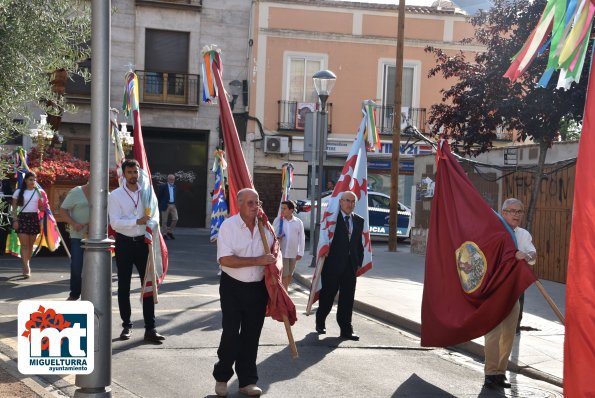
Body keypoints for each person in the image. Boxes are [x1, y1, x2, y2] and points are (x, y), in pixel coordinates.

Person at [213, 188, 274, 397]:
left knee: (251, 336)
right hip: (232, 286)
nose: (254, 206)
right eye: (249, 202)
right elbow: (225, 260)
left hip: (257, 288)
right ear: (238, 204)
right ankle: (222, 377)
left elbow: (274, 255)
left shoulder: (266, 228)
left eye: (257, 202)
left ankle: (247, 381)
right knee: (231, 334)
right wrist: (258, 260)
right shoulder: (228, 227)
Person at [108, 159, 165, 344]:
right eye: (130, 172)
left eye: (136, 171)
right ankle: (127, 325)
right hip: (124, 243)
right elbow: (115, 223)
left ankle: (150, 328)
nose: (134, 175)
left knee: (148, 286)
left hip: (143, 243)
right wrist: (136, 222)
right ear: (124, 174)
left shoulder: (147, 193)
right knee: (123, 286)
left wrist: (150, 225)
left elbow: (155, 214)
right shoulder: (115, 195)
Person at [483, 198, 536, 389]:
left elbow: (533, 256)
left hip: (513, 291)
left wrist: (526, 255)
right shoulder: (493, 231)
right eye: (511, 211)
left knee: (508, 333)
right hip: (494, 290)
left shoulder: (523, 234)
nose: (515, 214)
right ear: (503, 212)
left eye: (519, 211)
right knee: (493, 332)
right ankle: (490, 373)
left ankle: (500, 372)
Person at [315, 191, 364, 341]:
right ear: (341, 202)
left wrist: (359, 262)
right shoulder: (331, 220)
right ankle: (320, 320)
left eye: (352, 202)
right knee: (328, 296)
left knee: (347, 299)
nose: (350, 204)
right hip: (332, 265)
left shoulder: (359, 220)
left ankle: (346, 329)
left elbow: (358, 244)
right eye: (347, 201)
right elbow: (324, 237)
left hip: (350, 266)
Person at [60, 181, 90, 301]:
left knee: (96, 267)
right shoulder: (76, 191)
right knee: (77, 265)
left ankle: (91, 294)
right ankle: (75, 294)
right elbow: (62, 210)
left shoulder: (104, 193)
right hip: (78, 235)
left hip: (97, 237)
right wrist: (74, 223)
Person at [11, 172, 43, 278]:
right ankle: (26, 266)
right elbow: (14, 209)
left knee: (30, 245)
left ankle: (26, 263)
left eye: (34, 180)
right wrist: (15, 220)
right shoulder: (19, 192)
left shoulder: (39, 192)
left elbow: (42, 208)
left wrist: (44, 214)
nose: (33, 182)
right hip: (22, 218)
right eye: (30, 179)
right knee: (24, 245)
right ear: (25, 180)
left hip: (34, 218)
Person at [272, 200, 305, 291]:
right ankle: (285, 294)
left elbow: (301, 238)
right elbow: (273, 235)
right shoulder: (278, 220)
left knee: (290, 274)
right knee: (285, 275)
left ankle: (284, 291)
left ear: (291, 210)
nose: (282, 210)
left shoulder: (298, 222)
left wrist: (300, 252)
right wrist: (278, 237)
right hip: (282, 253)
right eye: (281, 208)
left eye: (284, 208)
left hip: (293, 253)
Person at [157, 174, 178, 240]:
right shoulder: (163, 186)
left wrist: (174, 203)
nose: (172, 181)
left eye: (173, 179)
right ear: (168, 179)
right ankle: (164, 234)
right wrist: (162, 203)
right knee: (164, 221)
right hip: (166, 205)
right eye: (170, 179)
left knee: (175, 219)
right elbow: (159, 195)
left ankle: (169, 231)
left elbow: (174, 195)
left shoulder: (174, 186)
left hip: (173, 205)